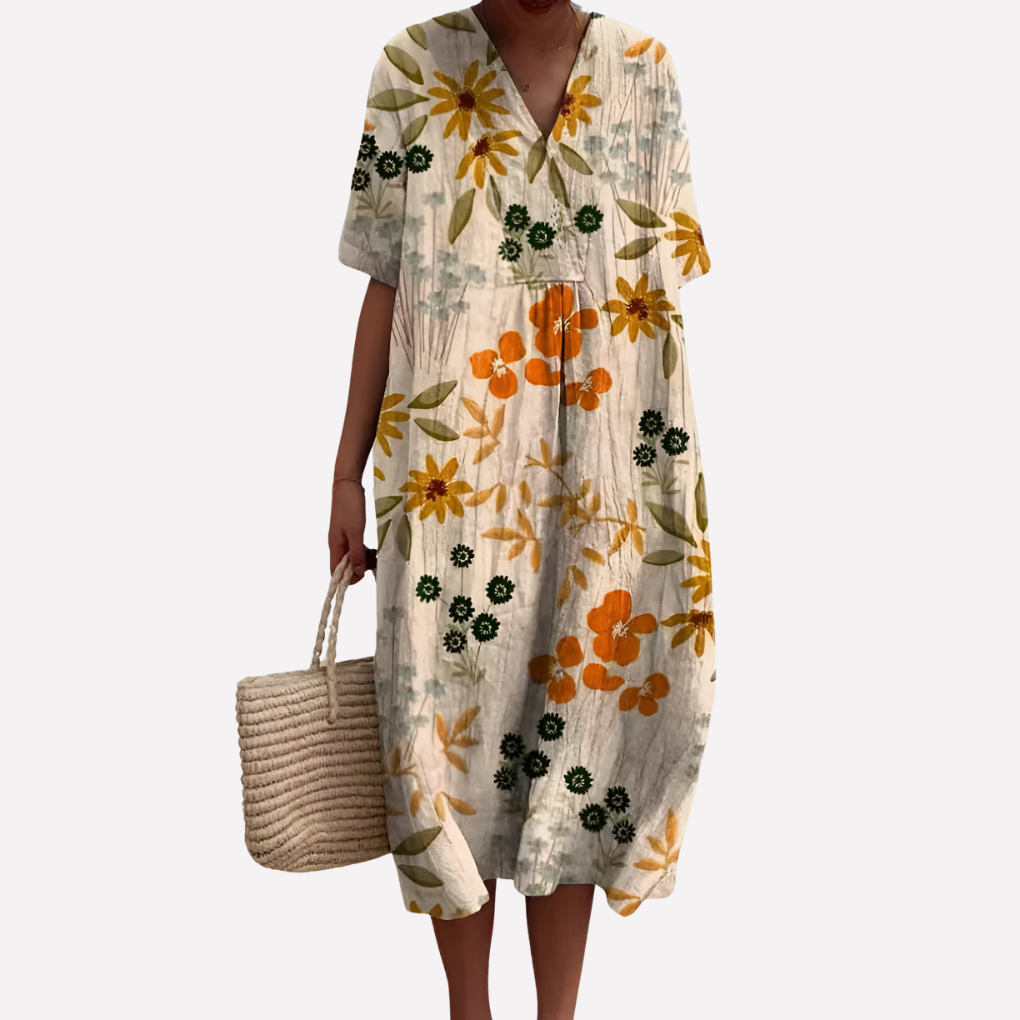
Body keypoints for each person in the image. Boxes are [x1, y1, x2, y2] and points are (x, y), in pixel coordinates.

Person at [328, 3, 716, 1017]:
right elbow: (387, 284)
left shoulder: (645, 73)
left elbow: (658, 297)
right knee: (444, 738)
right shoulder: (413, 69)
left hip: (607, 481)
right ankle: (468, 1010)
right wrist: (344, 471)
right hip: (450, 479)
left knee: (577, 738)